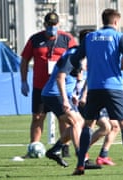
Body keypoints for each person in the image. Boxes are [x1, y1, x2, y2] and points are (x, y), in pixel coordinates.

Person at [70, 8, 123, 175]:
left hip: (94, 88)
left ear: (103, 21)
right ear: (116, 22)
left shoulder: (90, 37)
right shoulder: (118, 36)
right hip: (113, 88)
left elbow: (74, 58)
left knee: (88, 124)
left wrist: (93, 63)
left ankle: (80, 165)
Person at [41, 29, 101, 169]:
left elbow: (71, 78)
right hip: (53, 94)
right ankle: (83, 159)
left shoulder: (80, 54)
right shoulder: (73, 55)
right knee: (77, 122)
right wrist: (65, 100)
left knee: (78, 122)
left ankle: (55, 150)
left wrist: (72, 94)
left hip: (61, 94)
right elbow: (60, 77)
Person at [20, 11, 76, 158]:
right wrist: (23, 81)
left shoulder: (67, 39)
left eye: (54, 25)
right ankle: (33, 148)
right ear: (44, 25)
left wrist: (76, 84)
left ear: (58, 24)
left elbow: (76, 59)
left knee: (63, 118)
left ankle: (64, 148)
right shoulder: (35, 39)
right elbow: (25, 60)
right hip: (40, 86)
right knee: (37, 117)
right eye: (49, 25)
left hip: (59, 87)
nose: (52, 27)